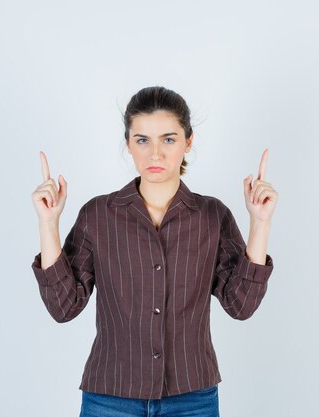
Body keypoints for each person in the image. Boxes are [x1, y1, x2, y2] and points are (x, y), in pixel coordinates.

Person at [30, 86, 278, 417]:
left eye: (169, 139)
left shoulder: (212, 216)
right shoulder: (98, 216)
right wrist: (49, 224)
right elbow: (63, 307)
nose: (155, 153)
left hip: (193, 397)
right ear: (129, 144)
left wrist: (260, 223)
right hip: (111, 395)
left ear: (188, 141)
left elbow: (241, 305)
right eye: (142, 140)